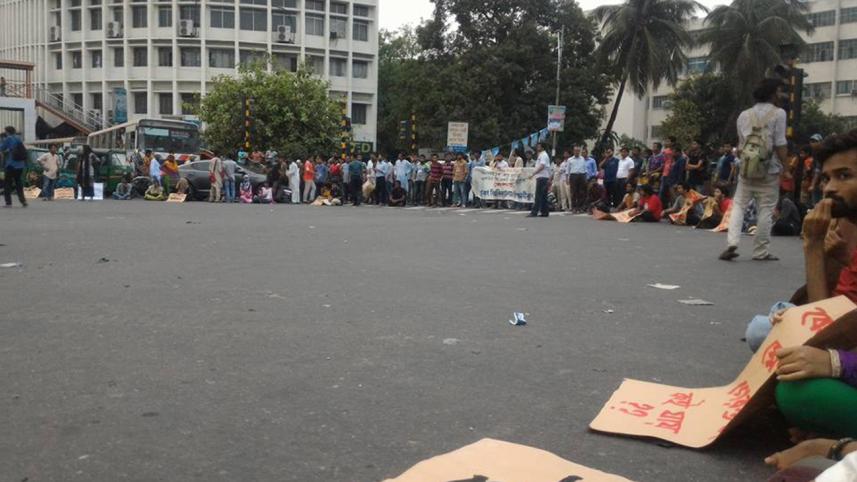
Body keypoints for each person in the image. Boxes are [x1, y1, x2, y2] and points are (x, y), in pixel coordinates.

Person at [720, 78, 788, 262]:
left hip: (747, 168)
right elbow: (780, 143)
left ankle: (732, 243)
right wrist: (786, 167)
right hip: (769, 169)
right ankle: (760, 251)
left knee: (739, 205)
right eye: (780, 91)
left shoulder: (744, 115)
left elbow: (741, 146)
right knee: (766, 209)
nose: (781, 95)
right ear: (773, 93)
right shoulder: (779, 114)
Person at [1, 126, 27, 207]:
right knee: (18, 183)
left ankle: (8, 203)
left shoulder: (8, 139)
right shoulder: (18, 139)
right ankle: (23, 201)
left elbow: (1, 147)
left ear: (7, 132)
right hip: (20, 165)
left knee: (7, 184)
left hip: (11, 165)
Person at [528, 143, 552, 218]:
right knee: (543, 196)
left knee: (538, 195)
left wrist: (533, 173)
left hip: (542, 177)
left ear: (542, 147)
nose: (537, 147)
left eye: (539, 146)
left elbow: (542, 166)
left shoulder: (543, 155)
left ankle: (534, 212)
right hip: (542, 177)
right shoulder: (541, 155)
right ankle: (545, 212)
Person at [567, 146, 587, 213]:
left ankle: (580, 207)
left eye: (578, 151)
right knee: (573, 192)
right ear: (573, 151)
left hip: (581, 175)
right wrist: (567, 178)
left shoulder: (582, 159)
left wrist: (585, 177)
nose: (577, 152)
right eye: (575, 150)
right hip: (573, 176)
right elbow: (568, 170)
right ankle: (574, 207)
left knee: (581, 192)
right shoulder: (570, 159)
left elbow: (585, 169)